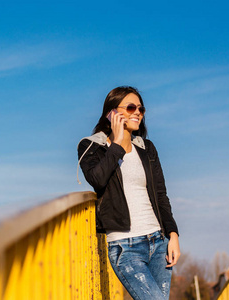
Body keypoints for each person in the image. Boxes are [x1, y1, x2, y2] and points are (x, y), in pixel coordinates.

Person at [77, 86, 180, 299]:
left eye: (141, 109)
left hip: (158, 242)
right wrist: (116, 144)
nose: (138, 113)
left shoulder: (147, 148)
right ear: (112, 113)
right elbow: (97, 179)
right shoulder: (91, 147)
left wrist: (173, 235)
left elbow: (161, 194)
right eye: (131, 107)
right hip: (126, 247)